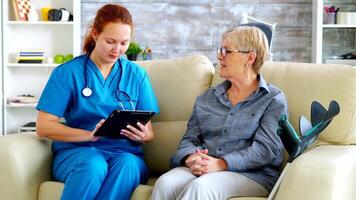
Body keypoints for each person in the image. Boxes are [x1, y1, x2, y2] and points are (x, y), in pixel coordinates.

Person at [36, 4, 159, 200]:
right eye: (110, 41)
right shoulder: (67, 73)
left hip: (125, 153)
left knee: (127, 165)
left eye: (124, 43)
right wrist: (89, 135)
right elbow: (43, 127)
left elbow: (150, 132)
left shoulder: (137, 75)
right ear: (95, 34)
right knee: (94, 165)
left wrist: (143, 135)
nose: (117, 50)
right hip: (78, 152)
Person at [152, 26, 288, 200]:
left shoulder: (273, 99)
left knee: (201, 187)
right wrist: (190, 158)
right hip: (208, 166)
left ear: (250, 58)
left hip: (253, 175)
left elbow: (265, 150)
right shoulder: (207, 98)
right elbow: (190, 139)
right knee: (165, 183)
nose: (219, 56)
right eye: (220, 50)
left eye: (227, 51)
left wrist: (222, 163)